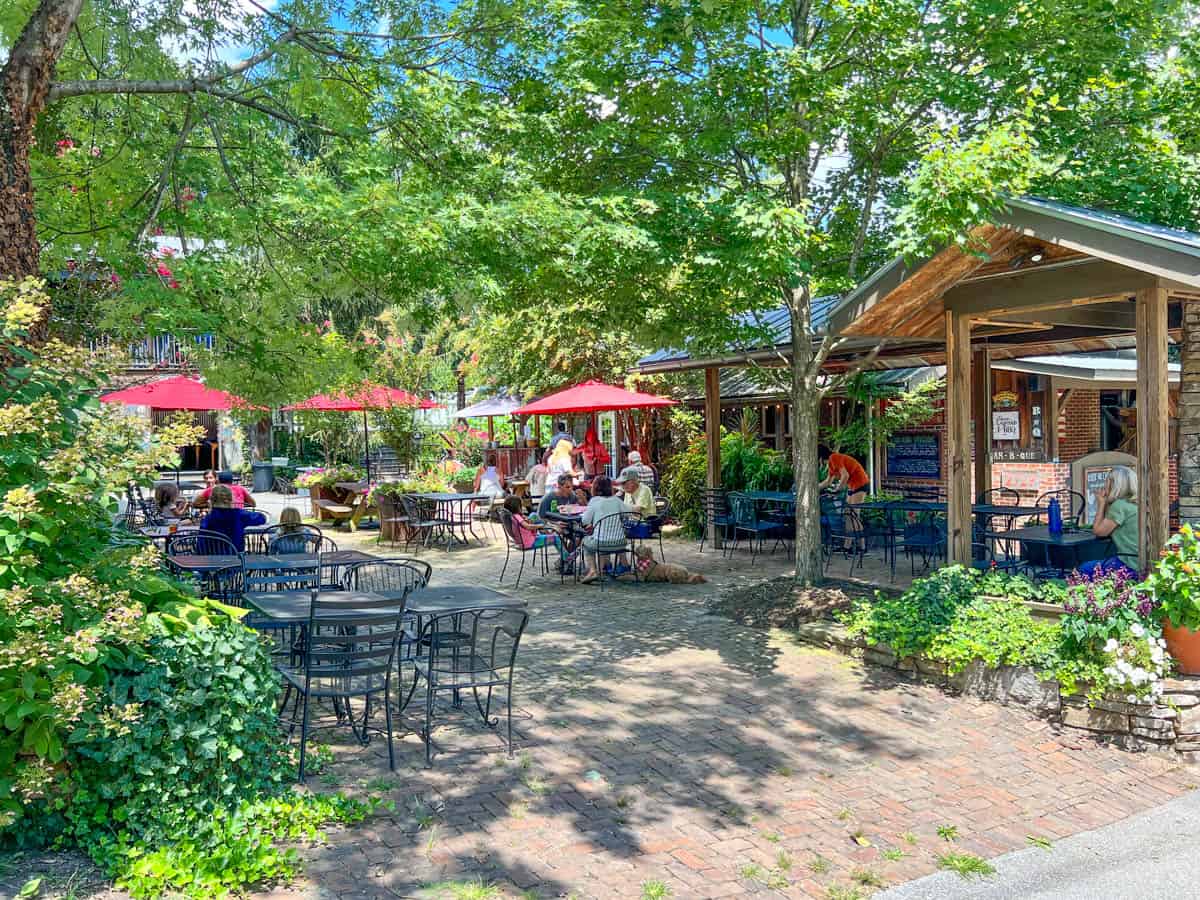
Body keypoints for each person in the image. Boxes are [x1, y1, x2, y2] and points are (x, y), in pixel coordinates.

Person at [1079, 466, 1140, 577]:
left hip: (1129, 562)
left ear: (1113, 484)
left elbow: (1099, 531)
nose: (1104, 485)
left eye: (1106, 481)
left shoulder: (1120, 506)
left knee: (1085, 568)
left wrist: (1101, 503)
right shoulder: (1135, 503)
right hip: (1141, 560)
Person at [579, 476, 635, 584]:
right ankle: (602, 569)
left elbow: (585, 521)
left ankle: (592, 571)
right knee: (599, 537)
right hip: (620, 543)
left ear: (595, 488)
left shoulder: (594, 501)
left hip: (601, 543)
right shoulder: (616, 500)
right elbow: (628, 513)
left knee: (585, 542)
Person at [200, 485, 267, 552]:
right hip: (235, 557)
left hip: (212, 558)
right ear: (231, 498)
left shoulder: (207, 518)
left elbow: (201, 543)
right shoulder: (239, 514)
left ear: (212, 500)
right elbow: (262, 518)